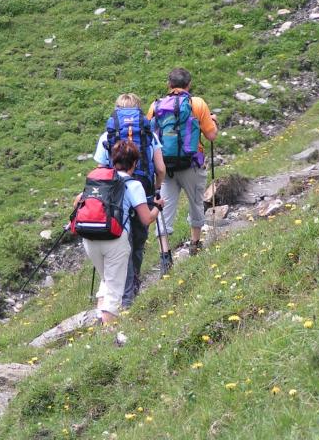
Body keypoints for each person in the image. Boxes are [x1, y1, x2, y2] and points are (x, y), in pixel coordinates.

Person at [75, 140, 164, 325]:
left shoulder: (99, 179)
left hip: (90, 238)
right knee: (116, 289)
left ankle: (99, 323)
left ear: (112, 160)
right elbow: (146, 219)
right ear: (135, 163)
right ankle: (108, 336)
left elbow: (77, 202)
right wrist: (158, 207)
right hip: (115, 239)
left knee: (107, 280)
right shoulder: (134, 185)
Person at [93, 93, 166, 308]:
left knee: (118, 239)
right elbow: (160, 168)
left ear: (116, 110)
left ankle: (118, 291)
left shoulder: (107, 136)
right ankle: (132, 286)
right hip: (142, 189)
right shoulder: (148, 134)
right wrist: (157, 188)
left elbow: (100, 168)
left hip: (114, 193)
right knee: (138, 240)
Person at [147, 67, 218, 261]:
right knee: (196, 203)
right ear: (189, 85)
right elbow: (211, 135)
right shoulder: (197, 104)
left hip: (166, 169)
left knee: (164, 208)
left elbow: (150, 138)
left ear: (169, 85)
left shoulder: (156, 106)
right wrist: (214, 122)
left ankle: (165, 256)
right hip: (192, 164)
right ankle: (195, 245)